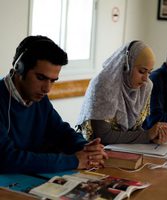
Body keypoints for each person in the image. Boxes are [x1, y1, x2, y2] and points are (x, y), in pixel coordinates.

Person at [0, 35, 107, 173]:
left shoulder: (39, 98)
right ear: (19, 68)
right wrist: (74, 161)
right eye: (41, 78)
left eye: (53, 81)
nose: (47, 89)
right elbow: (7, 159)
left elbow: (60, 132)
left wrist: (86, 147)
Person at [77, 40, 167, 145]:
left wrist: (153, 137)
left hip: (124, 150)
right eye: (142, 71)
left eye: (149, 72)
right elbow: (103, 137)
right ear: (126, 66)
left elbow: (135, 129)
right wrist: (147, 135)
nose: (145, 79)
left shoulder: (145, 86)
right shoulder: (104, 85)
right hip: (95, 152)